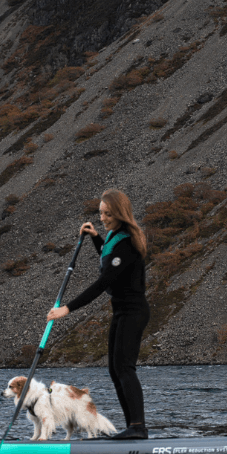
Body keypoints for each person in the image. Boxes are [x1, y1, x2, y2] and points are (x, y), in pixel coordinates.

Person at [47, 188, 151, 440]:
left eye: (107, 214)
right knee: (115, 370)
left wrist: (67, 308)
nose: (102, 218)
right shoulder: (115, 236)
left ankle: (138, 428)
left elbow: (102, 282)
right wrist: (95, 237)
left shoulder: (127, 242)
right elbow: (108, 255)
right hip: (121, 310)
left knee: (125, 368)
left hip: (133, 311)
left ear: (119, 214)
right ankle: (133, 428)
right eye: (100, 213)